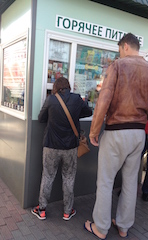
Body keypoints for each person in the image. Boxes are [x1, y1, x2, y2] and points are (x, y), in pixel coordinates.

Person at [84, 33, 148, 239]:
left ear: (125, 46)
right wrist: (144, 115)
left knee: (105, 181)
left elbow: (104, 99)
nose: (119, 53)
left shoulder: (118, 65)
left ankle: (101, 228)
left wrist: (94, 131)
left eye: (119, 49)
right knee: (131, 182)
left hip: (116, 132)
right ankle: (124, 227)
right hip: (139, 133)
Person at [31, 77, 92, 220]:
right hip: (70, 147)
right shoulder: (77, 99)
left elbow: (41, 118)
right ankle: (67, 211)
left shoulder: (51, 99)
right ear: (68, 87)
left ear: (56, 87)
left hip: (51, 145)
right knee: (69, 178)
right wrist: (75, 114)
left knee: (47, 176)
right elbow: (88, 112)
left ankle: (42, 210)